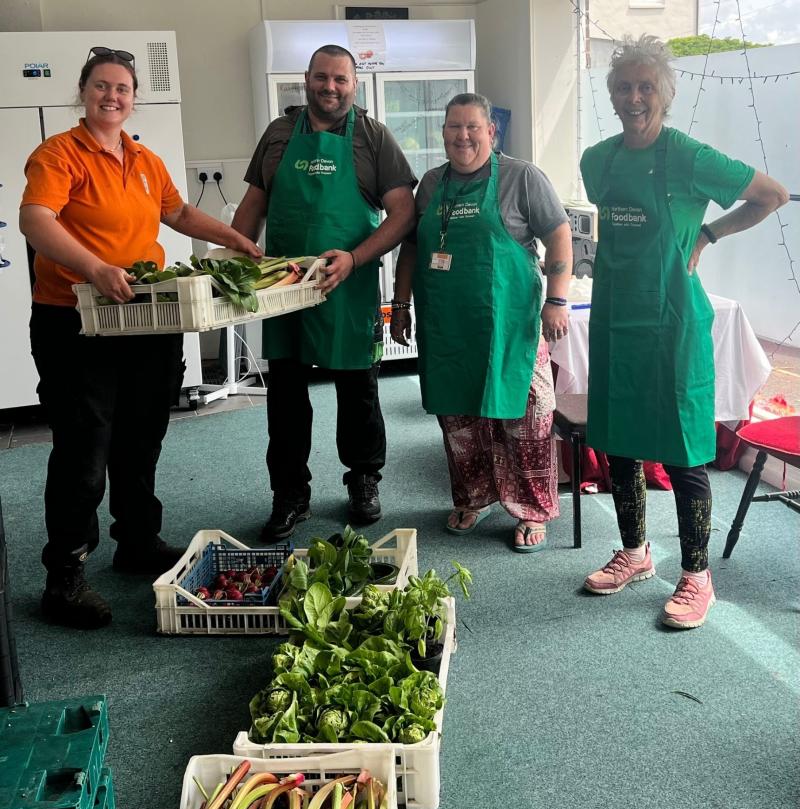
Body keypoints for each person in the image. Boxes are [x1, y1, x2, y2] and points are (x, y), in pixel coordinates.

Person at [19, 47, 262, 629]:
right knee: (85, 448)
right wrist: (96, 268)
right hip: (77, 321)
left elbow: (177, 214)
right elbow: (36, 219)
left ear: (133, 97)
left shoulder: (144, 159)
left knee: (141, 433)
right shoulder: (58, 154)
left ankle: (137, 540)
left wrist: (237, 240)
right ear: (83, 92)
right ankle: (66, 576)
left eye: (123, 88)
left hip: (147, 318)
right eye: (102, 86)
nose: (113, 96)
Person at [579, 35, 789, 627]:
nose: (635, 96)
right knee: (618, 441)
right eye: (624, 86)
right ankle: (635, 553)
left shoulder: (688, 155)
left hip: (674, 322)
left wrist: (708, 235)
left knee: (686, 450)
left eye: (647, 86)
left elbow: (770, 195)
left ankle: (697, 576)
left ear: (666, 94)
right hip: (617, 319)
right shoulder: (598, 161)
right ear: (613, 95)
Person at [232, 45, 416, 541]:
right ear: (306, 80)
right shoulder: (277, 134)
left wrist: (355, 258)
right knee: (286, 399)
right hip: (285, 288)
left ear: (354, 85)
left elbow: (403, 212)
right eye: (321, 78)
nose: (329, 88)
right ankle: (290, 494)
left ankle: (363, 480)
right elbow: (254, 203)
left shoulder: (374, 137)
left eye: (340, 80)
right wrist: (234, 258)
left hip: (348, 286)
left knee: (358, 392)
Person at [390, 93, 572, 551]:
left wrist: (557, 299)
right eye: (454, 127)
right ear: (443, 132)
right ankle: (473, 496)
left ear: (491, 131)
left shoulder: (522, 177)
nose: (462, 136)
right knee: (459, 420)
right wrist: (400, 303)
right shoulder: (431, 184)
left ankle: (531, 509)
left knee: (526, 417)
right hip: (448, 325)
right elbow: (411, 247)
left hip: (511, 328)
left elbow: (558, 234)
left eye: (473, 126)